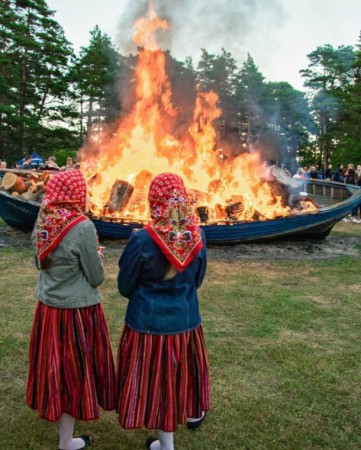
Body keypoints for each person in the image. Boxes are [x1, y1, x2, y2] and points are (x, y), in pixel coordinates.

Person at [115, 172, 210, 450]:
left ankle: (165, 445)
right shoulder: (198, 234)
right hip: (186, 319)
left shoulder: (142, 240)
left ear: (154, 200)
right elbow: (198, 280)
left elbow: (125, 286)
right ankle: (193, 412)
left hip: (148, 324)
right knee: (183, 373)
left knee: (160, 384)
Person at [26, 170, 115, 450]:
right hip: (77, 312)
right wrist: (97, 256)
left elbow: (39, 263)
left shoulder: (43, 220)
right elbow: (96, 276)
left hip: (48, 310)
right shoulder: (82, 226)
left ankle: (65, 434)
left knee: (55, 369)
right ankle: (67, 441)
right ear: (76, 193)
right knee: (74, 370)